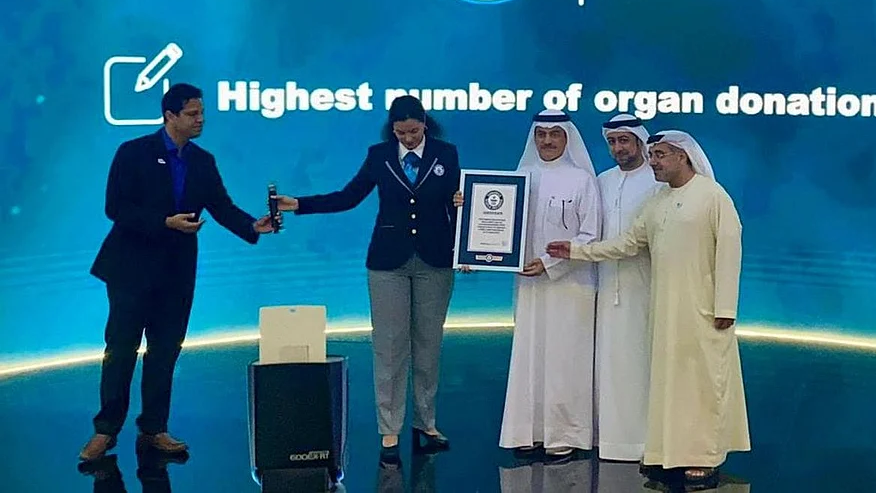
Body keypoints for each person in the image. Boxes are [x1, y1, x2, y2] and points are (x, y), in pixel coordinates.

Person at [80, 83, 275, 463]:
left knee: (165, 350)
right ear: (170, 115)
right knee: (120, 349)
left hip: (176, 271)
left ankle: (154, 427)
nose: (200, 120)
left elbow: (221, 205)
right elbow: (115, 207)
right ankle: (105, 430)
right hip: (131, 268)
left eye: (202, 113)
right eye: (192, 114)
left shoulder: (203, 160)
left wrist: (252, 226)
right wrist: (163, 222)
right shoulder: (134, 152)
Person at [547, 130, 750, 491]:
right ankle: (667, 453)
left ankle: (704, 458)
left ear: (683, 156)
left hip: (704, 312)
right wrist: (576, 251)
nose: (653, 162)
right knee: (670, 384)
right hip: (665, 310)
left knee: (703, 384)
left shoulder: (713, 196)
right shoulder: (657, 200)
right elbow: (628, 243)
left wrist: (725, 307)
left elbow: (730, 252)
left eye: (660, 155)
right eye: (652, 155)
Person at [275, 95, 460, 462]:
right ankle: (389, 429)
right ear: (392, 129)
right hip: (387, 263)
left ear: (425, 123)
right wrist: (300, 204)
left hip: (436, 261)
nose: (408, 138)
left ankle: (426, 423)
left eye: (414, 131)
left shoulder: (446, 153)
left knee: (428, 346)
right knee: (389, 347)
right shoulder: (379, 155)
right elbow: (349, 197)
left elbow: (458, 203)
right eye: (401, 132)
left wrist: (466, 241)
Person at [495, 109, 602, 461]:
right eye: (541, 134)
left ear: (567, 138)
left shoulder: (582, 180)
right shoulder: (520, 178)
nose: (547, 141)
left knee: (564, 358)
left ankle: (564, 434)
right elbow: (496, 226)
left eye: (555, 134)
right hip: (529, 284)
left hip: (571, 285)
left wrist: (549, 263)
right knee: (530, 355)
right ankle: (527, 432)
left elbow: (590, 235)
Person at [594, 114, 660, 462]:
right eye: (612, 142)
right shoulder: (602, 181)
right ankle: (612, 441)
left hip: (647, 285)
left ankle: (649, 442)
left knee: (643, 363)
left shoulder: (658, 180)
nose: (618, 148)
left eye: (624, 141)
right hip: (607, 285)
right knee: (611, 364)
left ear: (639, 142)